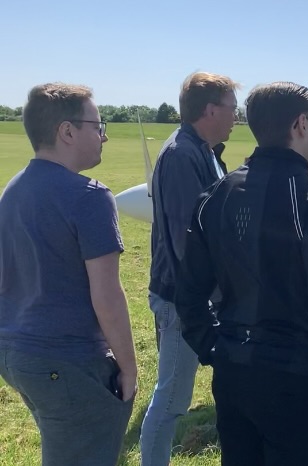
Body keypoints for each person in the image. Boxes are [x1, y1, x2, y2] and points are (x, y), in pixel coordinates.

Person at [176, 81, 308, 465]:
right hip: (296, 383)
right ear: (300, 126)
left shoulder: (215, 194)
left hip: (233, 377)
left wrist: (214, 350)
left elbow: (188, 292)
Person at [0, 83, 137, 465]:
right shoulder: (89, 195)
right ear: (68, 131)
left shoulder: (14, 188)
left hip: (17, 354)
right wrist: (129, 369)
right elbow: (107, 295)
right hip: (67, 360)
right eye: (98, 125)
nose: (104, 135)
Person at [141, 71, 239, 466]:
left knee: (174, 396)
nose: (237, 116)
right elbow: (188, 240)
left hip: (194, 297)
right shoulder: (183, 155)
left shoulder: (201, 150)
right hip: (183, 300)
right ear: (211, 110)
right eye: (233, 108)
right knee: (171, 400)